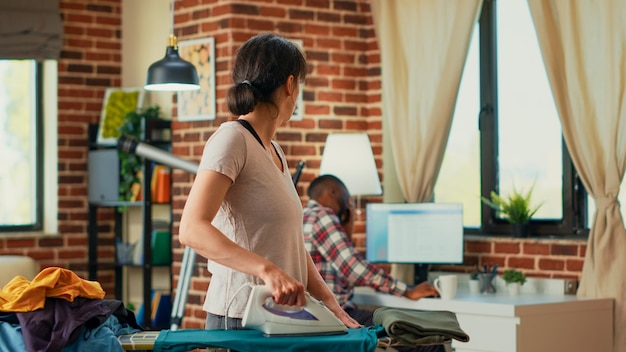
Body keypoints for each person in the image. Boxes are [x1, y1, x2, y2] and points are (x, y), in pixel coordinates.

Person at [178, 33, 360, 332]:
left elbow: (289, 242)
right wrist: (267, 270)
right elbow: (191, 229)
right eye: (299, 86)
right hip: (240, 317)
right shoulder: (231, 139)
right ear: (290, 85)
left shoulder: (274, 151)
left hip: (281, 317)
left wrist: (329, 301)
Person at [303, 174, 445, 352]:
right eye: (347, 199)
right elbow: (353, 268)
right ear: (333, 191)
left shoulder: (304, 216)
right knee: (428, 342)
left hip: (316, 318)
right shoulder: (322, 215)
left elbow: (339, 263)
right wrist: (407, 290)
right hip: (336, 316)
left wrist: (349, 222)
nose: (348, 204)